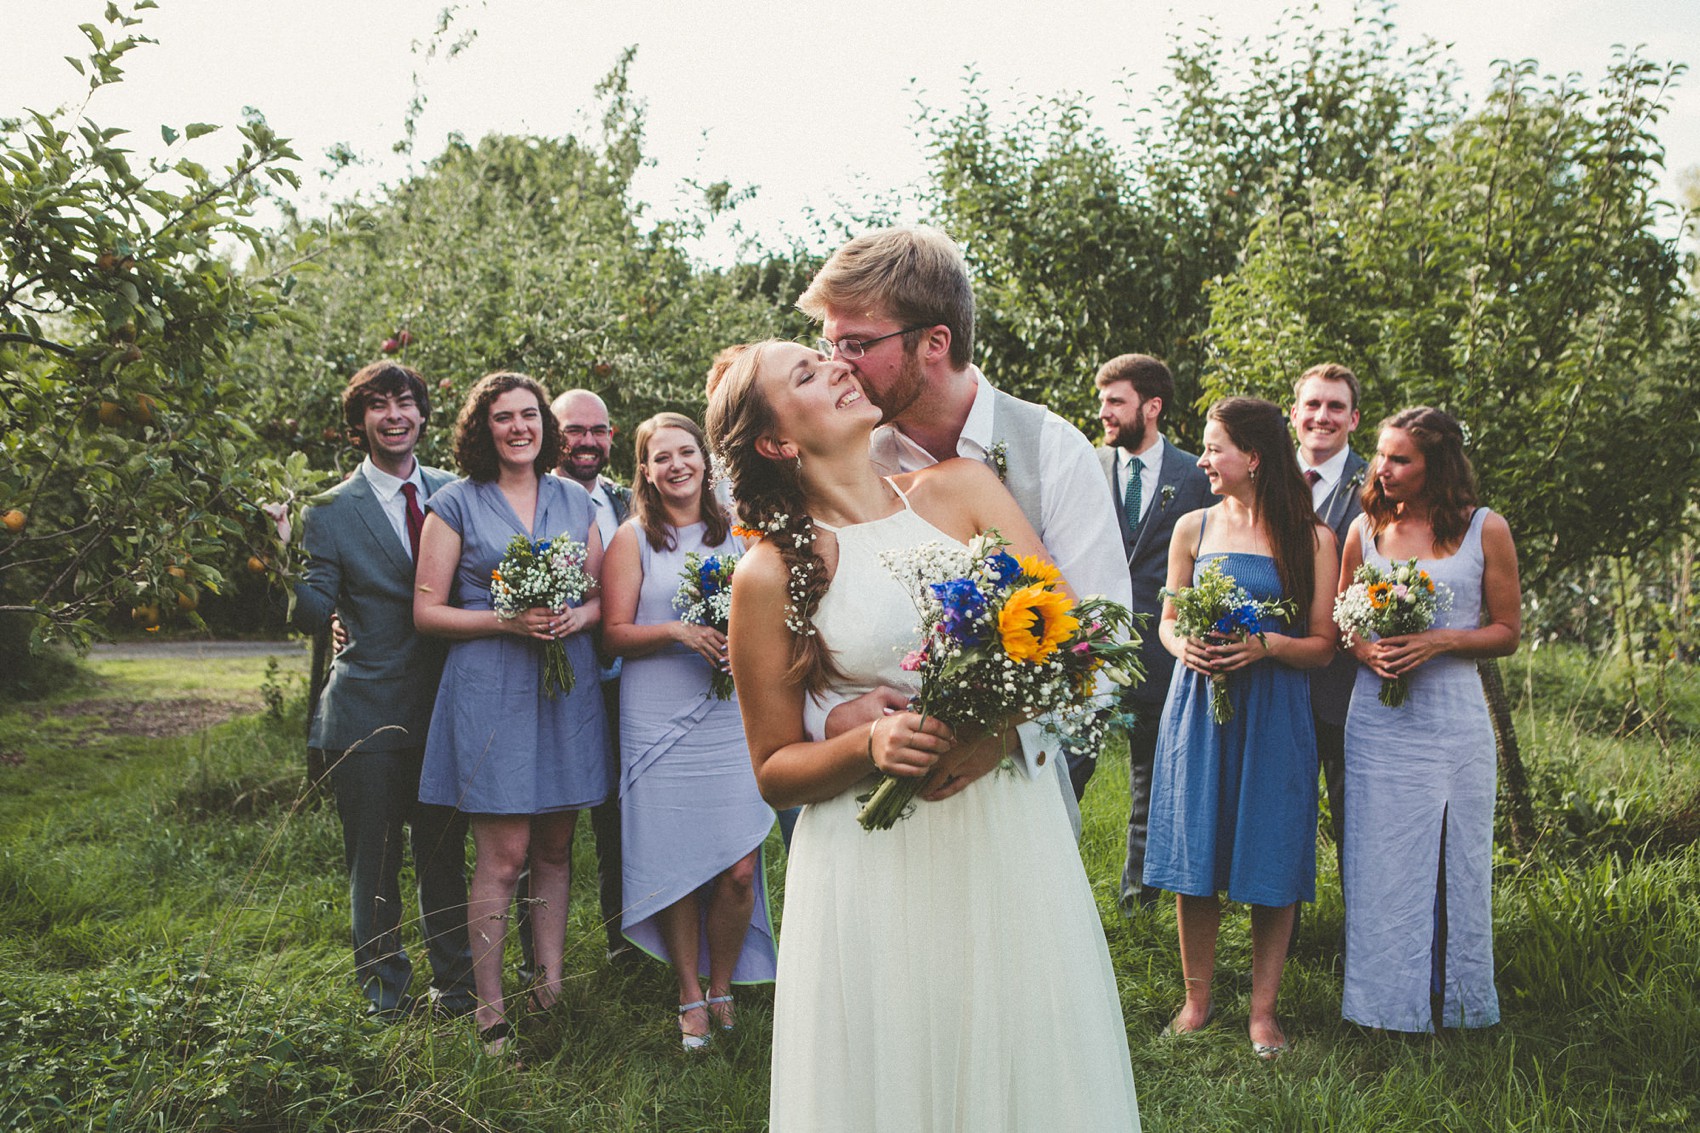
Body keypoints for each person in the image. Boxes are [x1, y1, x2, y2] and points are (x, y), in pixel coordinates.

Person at [709, 340, 1140, 1131]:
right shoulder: (767, 574)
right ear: (777, 441)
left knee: (1021, 1044)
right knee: (897, 1065)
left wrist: (997, 729)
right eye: (806, 374)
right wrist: (864, 746)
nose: (838, 366)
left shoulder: (964, 489)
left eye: (828, 356)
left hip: (1005, 826)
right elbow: (773, 768)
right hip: (872, 859)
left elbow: (1070, 638)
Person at [796, 226, 1132, 836]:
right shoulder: (844, 461)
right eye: (828, 346)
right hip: (861, 808)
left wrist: (1003, 737)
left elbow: (1103, 642)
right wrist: (836, 722)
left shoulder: (1052, 449)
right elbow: (803, 649)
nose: (836, 368)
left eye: (856, 345)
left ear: (935, 341)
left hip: (1011, 801)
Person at [413, 372, 610, 1051]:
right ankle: (490, 1011)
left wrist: (572, 617)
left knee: (556, 846)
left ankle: (549, 991)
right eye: (505, 417)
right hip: (490, 682)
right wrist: (506, 619)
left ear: (544, 426)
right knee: (505, 854)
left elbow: (599, 596)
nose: (520, 426)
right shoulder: (454, 503)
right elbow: (427, 611)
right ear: (484, 428)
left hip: (564, 684)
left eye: (530, 415)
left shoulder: (573, 500)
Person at [1142, 396, 1338, 1059]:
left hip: (1276, 709)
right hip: (1199, 702)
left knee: (1271, 850)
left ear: (1252, 456)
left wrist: (1267, 647)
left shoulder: (1313, 538)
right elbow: (1168, 619)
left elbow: (1322, 646)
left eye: (1213, 446)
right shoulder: (1192, 527)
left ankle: (1263, 1011)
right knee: (1196, 849)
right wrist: (1182, 646)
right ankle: (1197, 1001)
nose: (1202, 459)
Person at [294, 361, 476, 1022]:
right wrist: (281, 555)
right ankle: (385, 997)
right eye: (378, 405)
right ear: (359, 423)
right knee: (372, 866)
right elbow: (311, 611)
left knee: (444, 858)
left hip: (446, 708)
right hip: (366, 713)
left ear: (423, 415)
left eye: (405, 402)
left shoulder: (457, 493)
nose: (394, 414)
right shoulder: (329, 511)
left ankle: (457, 989)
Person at [1340, 407, 1520, 1033]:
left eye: (1400, 459)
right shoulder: (1365, 529)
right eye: (1380, 457)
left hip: (1452, 719)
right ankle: (1383, 1005)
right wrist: (1370, 650)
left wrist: (1437, 641)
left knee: (1457, 854)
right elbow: (1346, 621)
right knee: (1381, 856)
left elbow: (1507, 632)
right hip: (1378, 719)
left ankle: (1459, 1000)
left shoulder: (1484, 530)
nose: (1382, 469)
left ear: (1436, 466)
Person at [602, 412, 776, 1050]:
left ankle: (725, 981)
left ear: (705, 460)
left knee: (736, 865)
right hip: (658, 718)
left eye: (687, 453)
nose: (677, 465)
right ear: (644, 471)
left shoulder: (739, 532)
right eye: (661, 457)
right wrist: (679, 630)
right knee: (676, 861)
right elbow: (612, 634)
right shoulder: (632, 540)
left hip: (732, 715)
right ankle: (688, 992)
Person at [1094, 353, 1211, 914]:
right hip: (1087, 652)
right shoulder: (1089, 468)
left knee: (1150, 782)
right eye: (1103, 401)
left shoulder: (1194, 476)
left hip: (1161, 656)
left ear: (1152, 406)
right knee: (1063, 772)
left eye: (1115, 401)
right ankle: (1049, 897)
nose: (1105, 413)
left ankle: (1137, 905)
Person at [550, 388, 631, 964]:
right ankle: (540, 956)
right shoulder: (532, 501)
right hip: (558, 678)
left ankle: (624, 942)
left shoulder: (631, 502)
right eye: (574, 430)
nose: (586, 442)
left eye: (598, 430)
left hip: (629, 680)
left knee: (622, 816)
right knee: (548, 822)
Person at [1290, 362, 1369, 876]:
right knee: (1281, 817)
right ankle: (1279, 945)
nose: (1323, 416)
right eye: (1313, 405)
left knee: (1356, 823)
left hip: (1347, 685)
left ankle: (1358, 942)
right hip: (1273, 677)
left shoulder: (1375, 488)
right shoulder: (1259, 478)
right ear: (1293, 413)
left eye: (1335, 406)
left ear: (1354, 419)